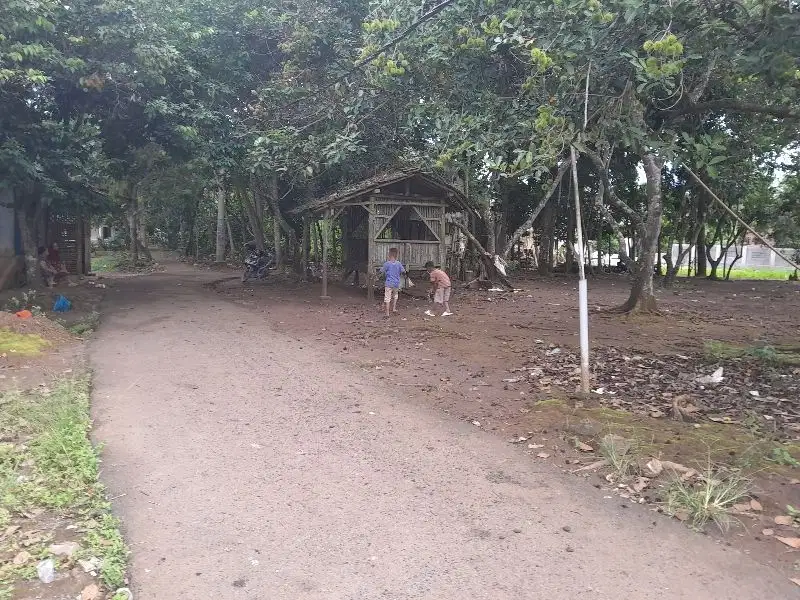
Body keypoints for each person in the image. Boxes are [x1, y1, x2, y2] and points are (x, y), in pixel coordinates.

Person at [379, 247, 405, 318]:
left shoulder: (387, 264)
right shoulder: (399, 263)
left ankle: (387, 313)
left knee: (387, 297)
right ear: (397, 255)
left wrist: (375, 276)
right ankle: (394, 309)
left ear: (389, 254)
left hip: (388, 283)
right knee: (395, 296)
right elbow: (403, 272)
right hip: (396, 283)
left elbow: (381, 271)